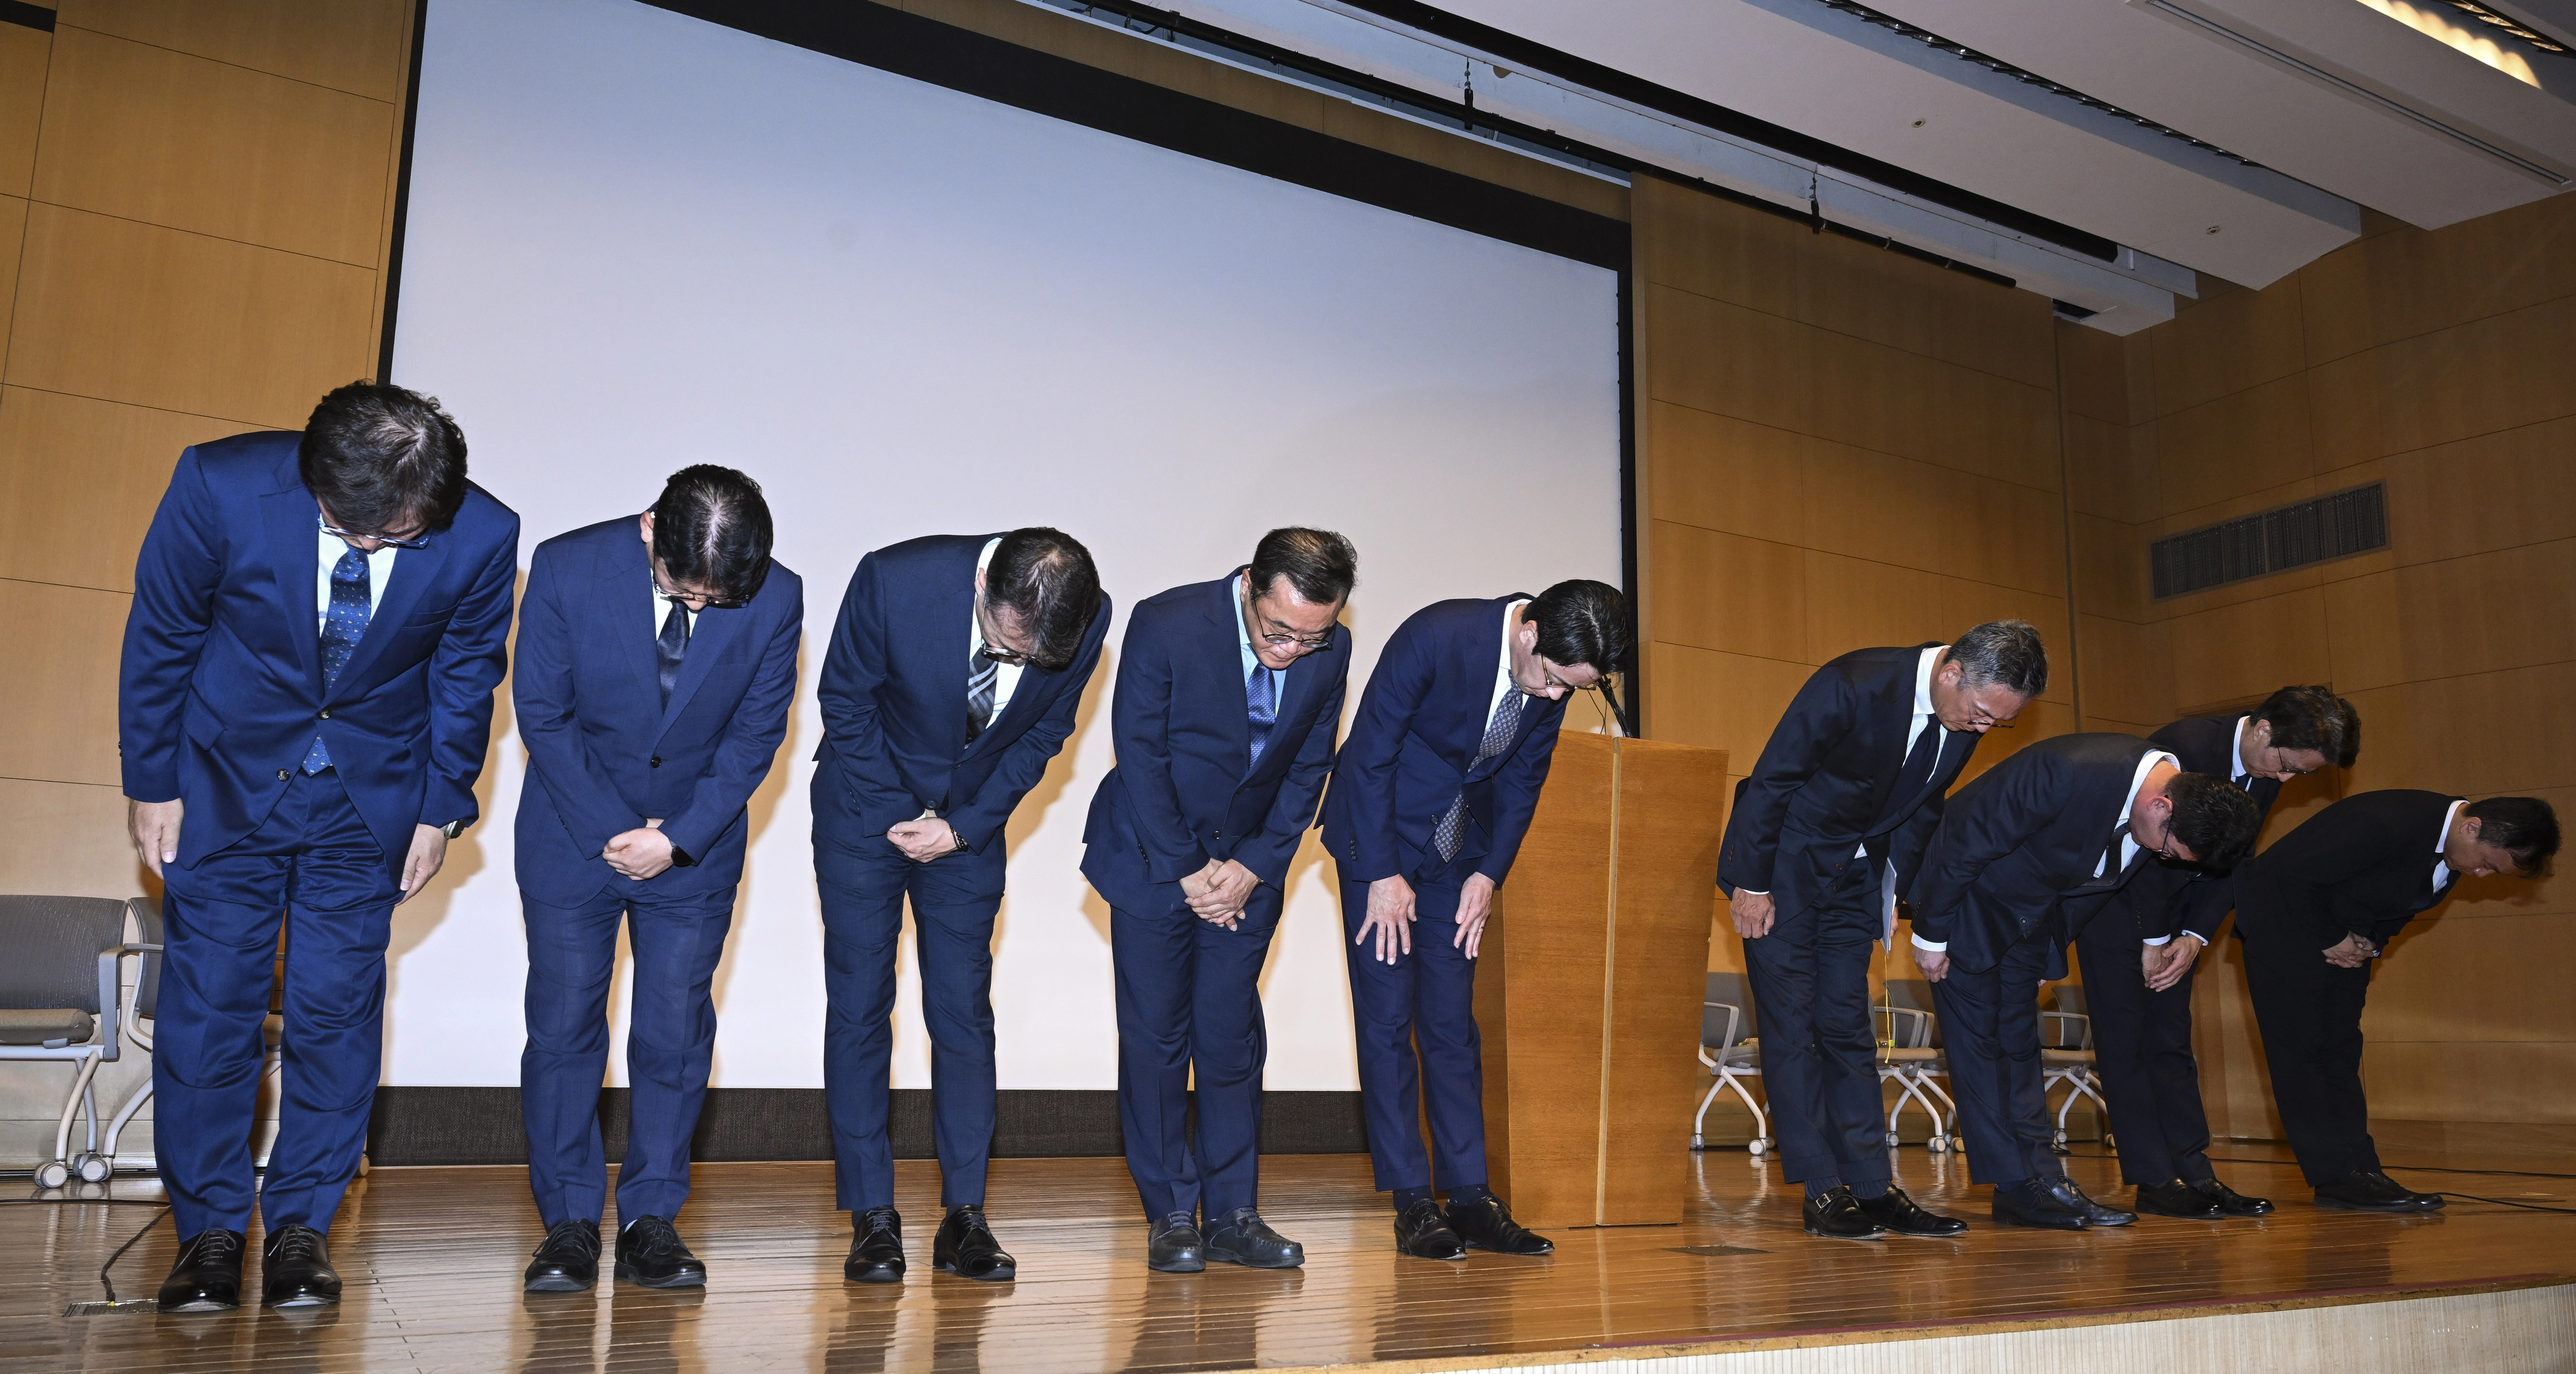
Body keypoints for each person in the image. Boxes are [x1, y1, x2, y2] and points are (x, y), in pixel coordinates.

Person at [120, 383, 520, 1311]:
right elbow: (164, 633)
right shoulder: (220, 484)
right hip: (221, 788)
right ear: (313, 478)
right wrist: (154, 780)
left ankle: (302, 1223)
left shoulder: (484, 531)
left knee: (336, 1014)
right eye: (354, 530)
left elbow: (467, 675)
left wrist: (440, 806)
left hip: (365, 802)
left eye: (399, 536)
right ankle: (211, 1230)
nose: (375, 547)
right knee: (211, 1009)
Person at [511, 467, 804, 1292]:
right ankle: (567, 1223)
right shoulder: (567, 566)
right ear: (649, 528)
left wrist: (675, 838)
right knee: (566, 1027)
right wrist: (616, 830)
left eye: (720, 600)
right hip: (574, 835)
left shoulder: (779, 596)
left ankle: (650, 1219)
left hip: (694, 847)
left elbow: (757, 734)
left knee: (673, 1038)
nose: (700, 609)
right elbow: (542, 711)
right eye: (686, 590)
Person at [813, 528, 1110, 1283]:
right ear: (983, 587)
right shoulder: (892, 579)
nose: (1012, 665)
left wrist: (963, 827)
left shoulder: (1089, 614)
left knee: (963, 1013)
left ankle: (965, 1214)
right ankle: (872, 1214)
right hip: (862, 809)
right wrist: (899, 813)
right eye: (1003, 646)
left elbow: (1046, 730)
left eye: (1028, 659)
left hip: (968, 829)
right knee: (858, 1006)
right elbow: (842, 702)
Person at [1317, 578, 1628, 1260]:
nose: (1552, 698)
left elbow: (1523, 780)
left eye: (1568, 690)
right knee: (1389, 1018)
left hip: (1459, 856)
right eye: (1549, 679)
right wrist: (1380, 872)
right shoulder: (1437, 636)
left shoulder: (1554, 677)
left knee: (1453, 1025)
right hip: (1379, 838)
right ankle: (1411, 1200)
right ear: (1528, 633)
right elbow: (1369, 754)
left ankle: (1469, 1193)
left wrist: (1490, 875)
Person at [1716, 621, 2047, 1240]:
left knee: (1847, 1028)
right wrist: (1751, 883)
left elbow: (1923, 807)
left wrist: (1894, 892)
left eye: (1997, 725)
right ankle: (1821, 1188)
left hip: (1855, 880)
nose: (1983, 730)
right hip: (1783, 873)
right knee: (1794, 1029)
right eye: (1980, 715)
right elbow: (1774, 780)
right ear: (1952, 673)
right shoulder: (1853, 683)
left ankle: (1871, 1186)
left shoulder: (1963, 720)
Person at [1084, 529, 1358, 1273]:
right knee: (1157, 1037)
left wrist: (1254, 863)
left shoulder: (1328, 647)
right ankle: (1172, 1211)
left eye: (1313, 635)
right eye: (1279, 631)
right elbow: (1139, 752)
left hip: (1247, 870)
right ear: (1248, 585)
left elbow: (1309, 766)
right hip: (1152, 856)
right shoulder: (1166, 621)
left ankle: (1234, 1212)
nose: (1293, 649)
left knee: (1230, 1036)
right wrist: (1190, 868)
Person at [1908, 732, 2259, 1231]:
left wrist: (2046, 962)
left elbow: (2090, 890)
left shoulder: (2159, 814)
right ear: (2160, 806)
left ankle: (2043, 1180)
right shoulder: (2067, 770)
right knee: (1980, 1050)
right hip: (1964, 901)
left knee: (2020, 1047)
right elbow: (1967, 844)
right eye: (2169, 848)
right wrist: (1932, 935)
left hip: (2029, 918)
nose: (2164, 857)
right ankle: (2016, 1186)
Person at [2078, 686, 2356, 1221]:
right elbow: (2147, 854)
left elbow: (2236, 858)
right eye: (2286, 765)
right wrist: (2155, 937)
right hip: (2122, 906)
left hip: (2177, 921)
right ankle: (2155, 1178)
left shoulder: (2267, 771)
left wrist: (2195, 936)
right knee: (2127, 1042)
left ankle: (2195, 1173)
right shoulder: (2182, 749)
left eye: (2301, 774)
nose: (2286, 780)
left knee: (2171, 1044)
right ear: (2263, 730)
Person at [2234, 792, 2558, 1211]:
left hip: (2342, 944)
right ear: (2471, 827)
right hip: (2284, 934)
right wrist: (2333, 938)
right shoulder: (2385, 821)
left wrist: (2367, 946)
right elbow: (2283, 877)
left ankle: (2361, 1171)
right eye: (2486, 864)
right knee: (2303, 1057)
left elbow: (2392, 905)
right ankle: (2335, 1176)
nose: (2479, 875)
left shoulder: (2452, 853)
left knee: (2340, 1052)